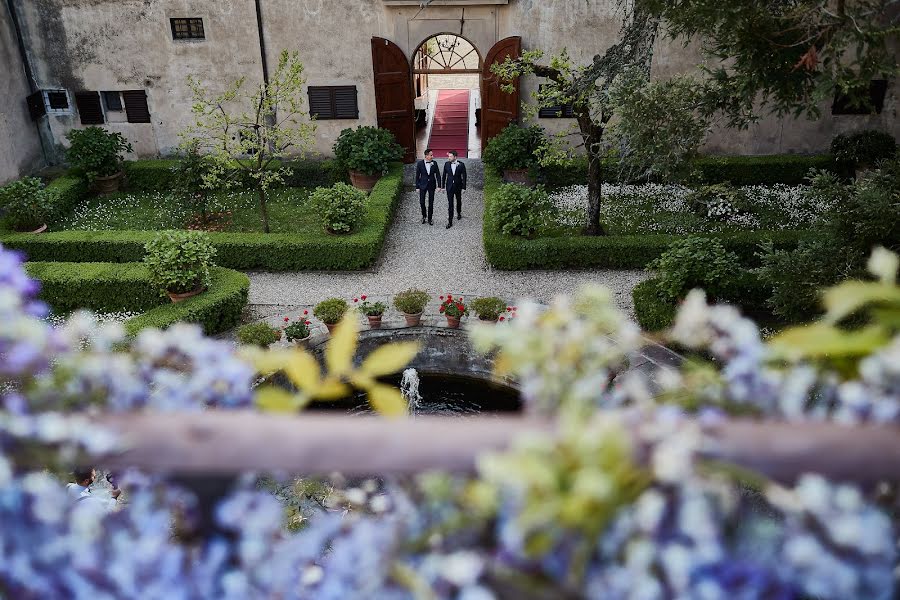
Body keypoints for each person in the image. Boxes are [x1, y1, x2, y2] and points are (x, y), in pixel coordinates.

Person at [441, 150, 467, 229]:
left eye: (450, 156)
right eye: (448, 156)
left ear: (455, 157)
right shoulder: (446, 164)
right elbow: (444, 176)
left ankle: (459, 213)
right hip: (449, 187)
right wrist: (442, 187)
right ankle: (450, 221)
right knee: (450, 204)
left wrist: (464, 187)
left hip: (458, 186)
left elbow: (464, 177)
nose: (448, 157)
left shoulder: (461, 165)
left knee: (458, 200)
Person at [414, 148, 440, 226]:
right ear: (426, 155)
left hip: (432, 185)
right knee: (422, 202)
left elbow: (438, 175)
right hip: (422, 185)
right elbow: (417, 176)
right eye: (431, 155)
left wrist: (439, 186)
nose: (432, 156)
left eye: (432, 155)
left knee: (431, 202)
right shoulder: (420, 164)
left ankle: (430, 218)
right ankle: (424, 216)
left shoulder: (434, 163)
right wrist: (417, 187)